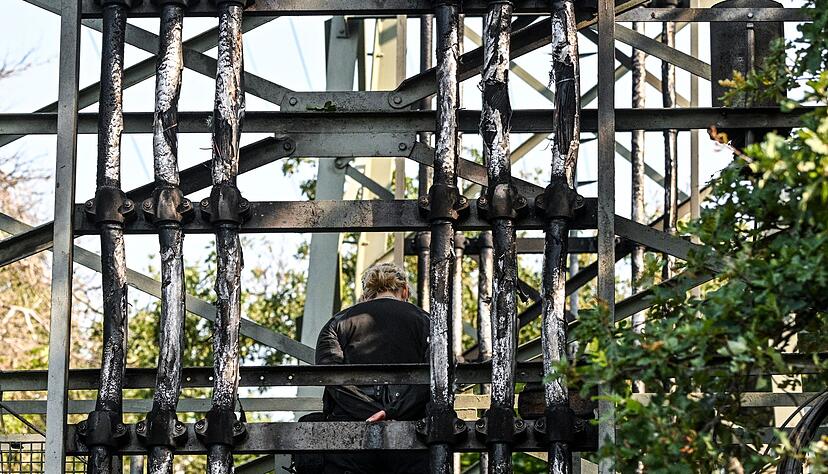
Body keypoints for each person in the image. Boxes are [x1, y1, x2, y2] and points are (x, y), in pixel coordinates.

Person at [315, 262, 430, 474]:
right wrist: (391, 412)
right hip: (414, 434)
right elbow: (436, 377)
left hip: (350, 435)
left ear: (366, 294)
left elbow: (331, 377)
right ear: (404, 291)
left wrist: (372, 412)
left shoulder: (337, 323)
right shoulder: (427, 322)